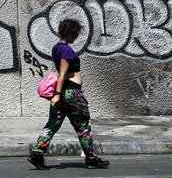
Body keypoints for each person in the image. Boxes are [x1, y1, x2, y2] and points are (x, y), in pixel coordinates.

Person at [28, 18, 110, 170]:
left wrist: (58, 94)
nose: (77, 37)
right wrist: (58, 94)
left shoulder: (56, 48)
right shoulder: (66, 50)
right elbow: (63, 74)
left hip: (64, 93)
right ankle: (91, 159)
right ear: (69, 33)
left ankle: (37, 154)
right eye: (75, 34)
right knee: (83, 126)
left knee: (52, 124)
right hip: (71, 94)